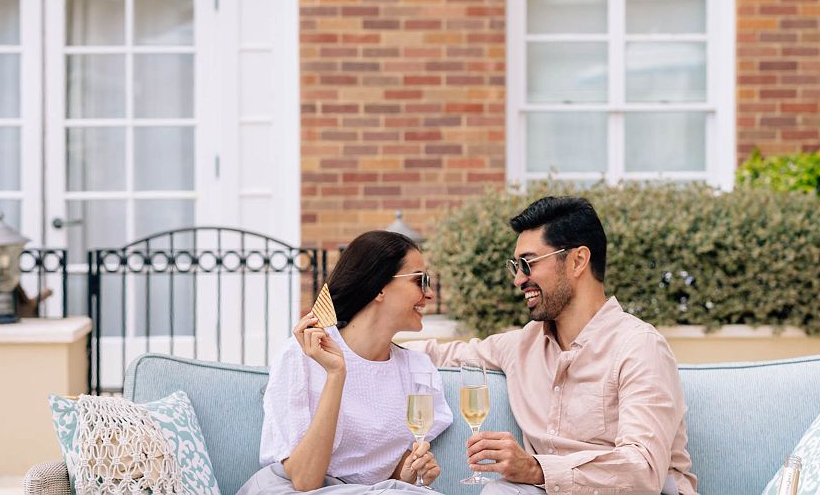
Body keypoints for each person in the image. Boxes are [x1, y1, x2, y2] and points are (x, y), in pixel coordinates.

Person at [406, 197, 698, 495]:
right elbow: (437, 355)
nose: (519, 279)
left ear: (577, 261)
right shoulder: (521, 345)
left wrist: (535, 468)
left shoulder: (639, 347)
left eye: (528, 264)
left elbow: (643, 471)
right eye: (515, 266)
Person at [239, 230, 453, 495]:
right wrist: (336, 374)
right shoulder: (305, 353)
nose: (429, 293)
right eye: (419, 280)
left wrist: (407, 475)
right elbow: (305, 481)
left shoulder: (417, 372)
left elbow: (384, 477)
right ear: (379, 287)